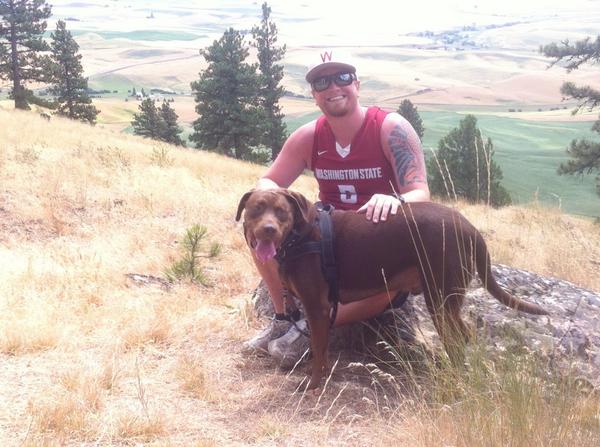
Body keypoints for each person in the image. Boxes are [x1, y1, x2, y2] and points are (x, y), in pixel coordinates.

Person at [242, 49, 430, 366]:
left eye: (342, 78)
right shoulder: (309, 137)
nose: (333, 88)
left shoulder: (390, 128)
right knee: (257, 231)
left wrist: (396, 199)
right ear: (315, 95)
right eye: (322, 82)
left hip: (376, 237)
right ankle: (283, 318)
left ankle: (312, 326)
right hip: (328, 239)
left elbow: (420, 192)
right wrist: (264, 197)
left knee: (391, 277)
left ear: (356, 84)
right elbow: (270, 180)